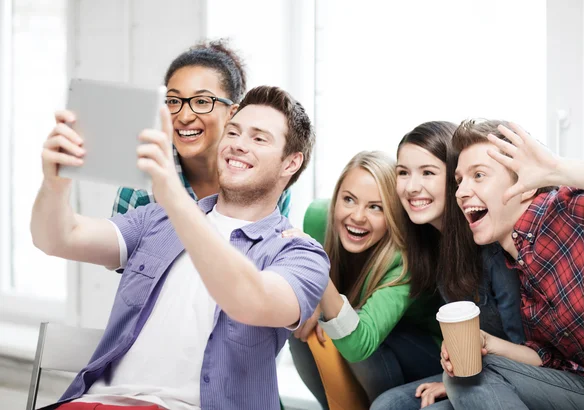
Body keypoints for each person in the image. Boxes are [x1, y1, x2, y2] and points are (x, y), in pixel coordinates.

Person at [30, 85, 329, 410]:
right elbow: (58, 237)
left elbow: (249, 299)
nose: (238, 145)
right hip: (93, 403)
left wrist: (172, 193)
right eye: (233, 132)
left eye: (259, 139)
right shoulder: (158, 218)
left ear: (291, 163)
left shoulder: (300, 254)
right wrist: (54, 183)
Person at [441, 119, 584, 409]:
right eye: (459, 180)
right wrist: (487, 343)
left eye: (478, 175)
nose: (461, 192)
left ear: (526, 187)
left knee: (474, 375)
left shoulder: (570, 212)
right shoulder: (519, 266)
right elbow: (553, 360)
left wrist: (556, 169)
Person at [371, 121, 524, 410]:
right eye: (403, 173)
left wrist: (455, 382)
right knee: (386, 405)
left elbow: (532, 352)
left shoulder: (491, 244)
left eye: (428, 172)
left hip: (513, 377)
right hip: (470, 371)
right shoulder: (432, 242)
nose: (412, 187)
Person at [288, 151, 443, 407]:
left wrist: (318, 277)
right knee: (302, 323)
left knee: (358, 328)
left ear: (393, 215)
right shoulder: (317, 218)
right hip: (364, 342)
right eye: (349, 199)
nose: (358, 216)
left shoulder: (404, 261)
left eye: (375, 207)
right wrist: (310, 300)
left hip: (423, 354)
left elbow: (361, 344)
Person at [112, 39, 291, 217]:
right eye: (173, 101)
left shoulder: (269, 176)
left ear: (233, 113)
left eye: (202, 102)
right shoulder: (141, 189)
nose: (184, 117)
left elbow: (276, 241)